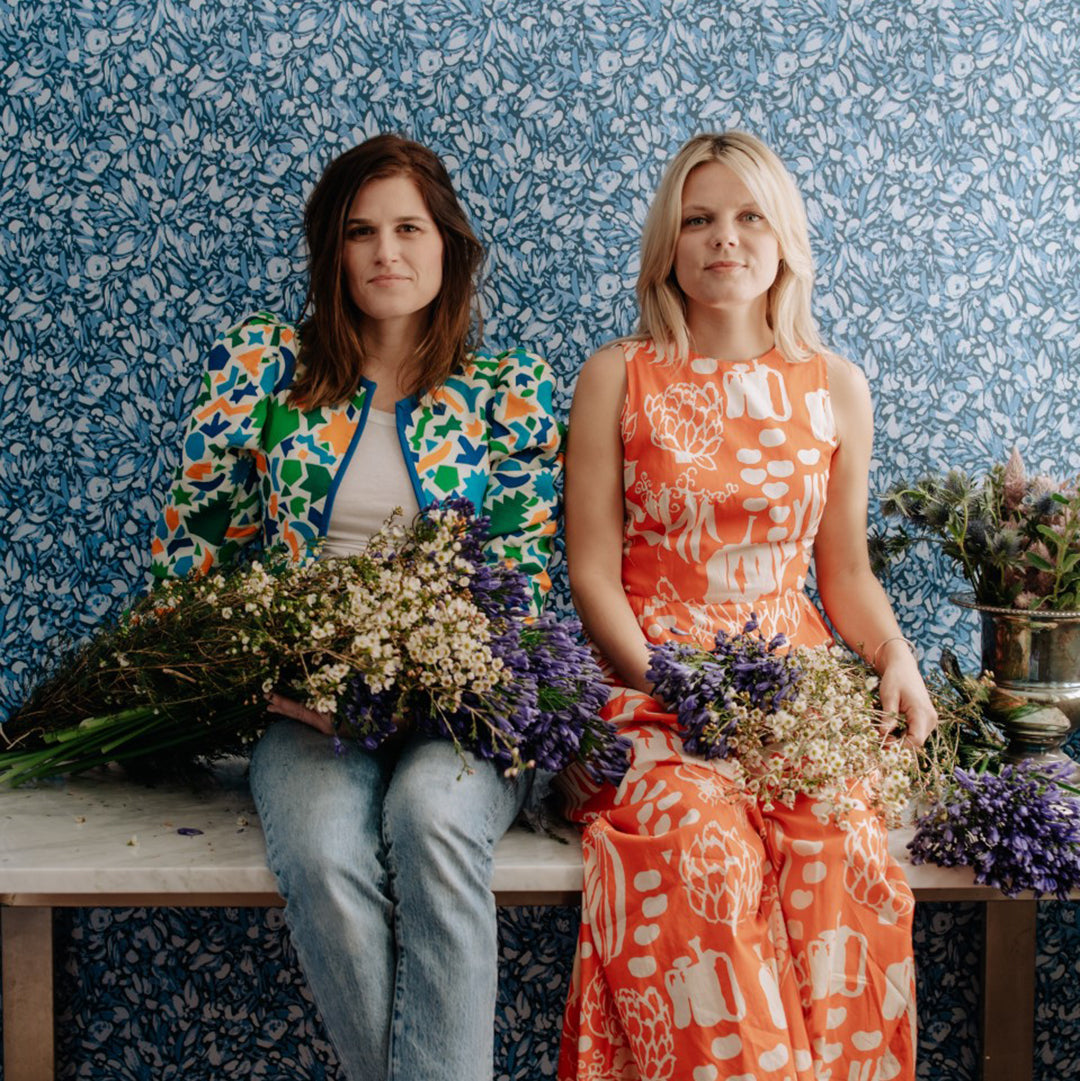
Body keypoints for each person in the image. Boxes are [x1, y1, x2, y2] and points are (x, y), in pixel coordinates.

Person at [151, 134, 561, 1081]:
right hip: (306, 703)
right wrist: (267, 681)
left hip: (465, 701)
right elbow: (195, 554)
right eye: (360, 231)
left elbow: (525, 577)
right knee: (326, 859)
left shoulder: (510, 393)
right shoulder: (266, 376)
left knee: (431, 818)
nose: (386, 252)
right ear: (331, 252)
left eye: (409, 228)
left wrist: (430, 680)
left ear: (447, 245)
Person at [558, 131, 937, 1081]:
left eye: (747, 215)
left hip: (798, 693)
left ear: (783, 240)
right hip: (652, 690)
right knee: (705, 852)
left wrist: (897, 656)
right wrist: (673, 687)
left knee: (840, 851)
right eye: (698, 219)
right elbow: (593, 572)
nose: (724, 238)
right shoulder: (620, 375)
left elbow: (843, 574)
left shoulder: (836, 389)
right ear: (669, 245)